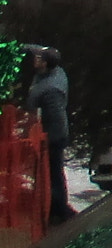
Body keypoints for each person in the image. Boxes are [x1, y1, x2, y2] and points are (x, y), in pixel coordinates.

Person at [25, 48, 73, 224]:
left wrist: (47, 140)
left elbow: (55, 118)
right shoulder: (55, 71)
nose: (34, 59)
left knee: (53, 173)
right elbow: (37, 48)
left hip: (53, 136)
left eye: (38, 58)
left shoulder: (51, 89)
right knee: (52, 172)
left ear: (44, 63)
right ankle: (54, 206)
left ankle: (58, 209)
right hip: (47, 133)